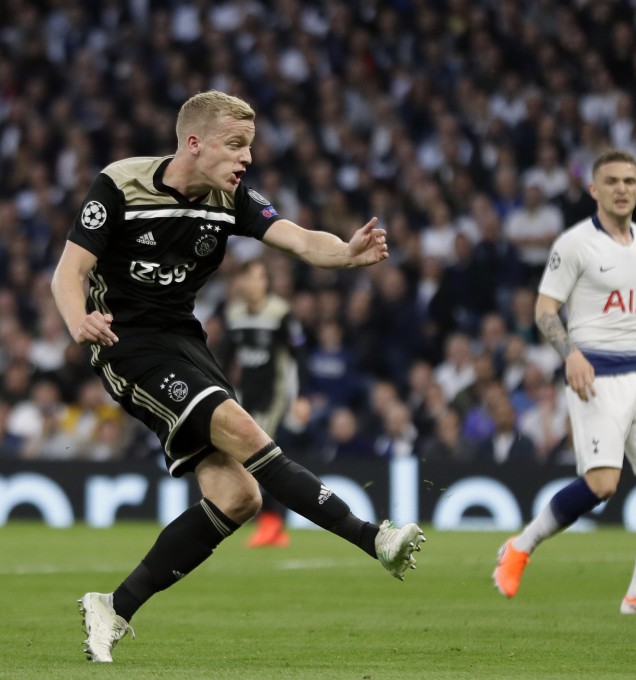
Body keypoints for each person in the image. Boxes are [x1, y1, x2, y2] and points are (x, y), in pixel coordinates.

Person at [51, 91, 425, 664]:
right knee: (244, 431)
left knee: (237, 495)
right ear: (194, 143)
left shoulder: (230, 200)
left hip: (185, 343)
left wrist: (346, 254)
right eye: (235, 145)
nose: (246, 158)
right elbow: (68, 272)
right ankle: (374, 538)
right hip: (125, 345)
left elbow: (300, 239)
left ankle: (114, 606)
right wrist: (80, 320)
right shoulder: (121, 185)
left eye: (249, 147)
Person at [492, 149, 636, 616]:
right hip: (594, 373)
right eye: (612, 181)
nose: (621, 188)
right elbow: (544, 309)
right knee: (602, 485)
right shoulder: (574, 243)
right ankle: (520, 547)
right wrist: (571, 354)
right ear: (594, 190)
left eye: (629, 180)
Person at [220, 258, 310, 548]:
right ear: (242, 282)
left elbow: (300, 355)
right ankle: (274, 525)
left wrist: (303, 396)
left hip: (274, 397)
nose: (255, 283)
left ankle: (270, 523)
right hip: (245, 396)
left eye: (261, 277)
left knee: (257, 458)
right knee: (255, 460)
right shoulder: (234, 314)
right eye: (250, 277)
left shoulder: (279, 314)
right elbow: (225, 357)